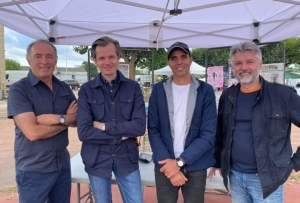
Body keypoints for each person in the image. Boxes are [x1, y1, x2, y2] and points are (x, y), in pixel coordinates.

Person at [208, 41, 300, 202]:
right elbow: (221, 132)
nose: (244, 67)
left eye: (249, 62)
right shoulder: (228, 96)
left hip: (268, 179)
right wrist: (217, 161)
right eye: (238, 63)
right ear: (233, 67)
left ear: (260, 64)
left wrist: (295, 162)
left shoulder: (283, 95)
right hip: (235, 176)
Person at [77, 36, 146, 203]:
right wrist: (121, 133)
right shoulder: (86, 90)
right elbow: (84, 132)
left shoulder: (133, 87)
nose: (107, 62)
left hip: (126, 158)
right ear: (95, 60)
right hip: (97, 159)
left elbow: (139, 127)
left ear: (118, 57)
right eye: (101, 58)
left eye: (111, 56)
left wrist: (103, 126)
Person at [7, 39, 78, 203]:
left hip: (62, 165)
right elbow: (33, 132)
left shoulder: (64, 88)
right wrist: (65, 119)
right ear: (28, 60)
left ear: (56, 60)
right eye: (38, 56)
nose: (44, 61)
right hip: (34, 169)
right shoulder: (19, 90)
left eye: (49, 56)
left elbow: (78, 119)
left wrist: (57, 119)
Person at [148, 42, 217, 203]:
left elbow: (208, 134)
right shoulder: (158, 90)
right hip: (165, 164)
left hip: (196, 163)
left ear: (190, 59)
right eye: (174, 58)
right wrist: (170, 166)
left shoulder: (205, 90)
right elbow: (153, 130)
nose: (179, 61)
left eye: (183, 57)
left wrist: (179, 162)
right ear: (169, 63)